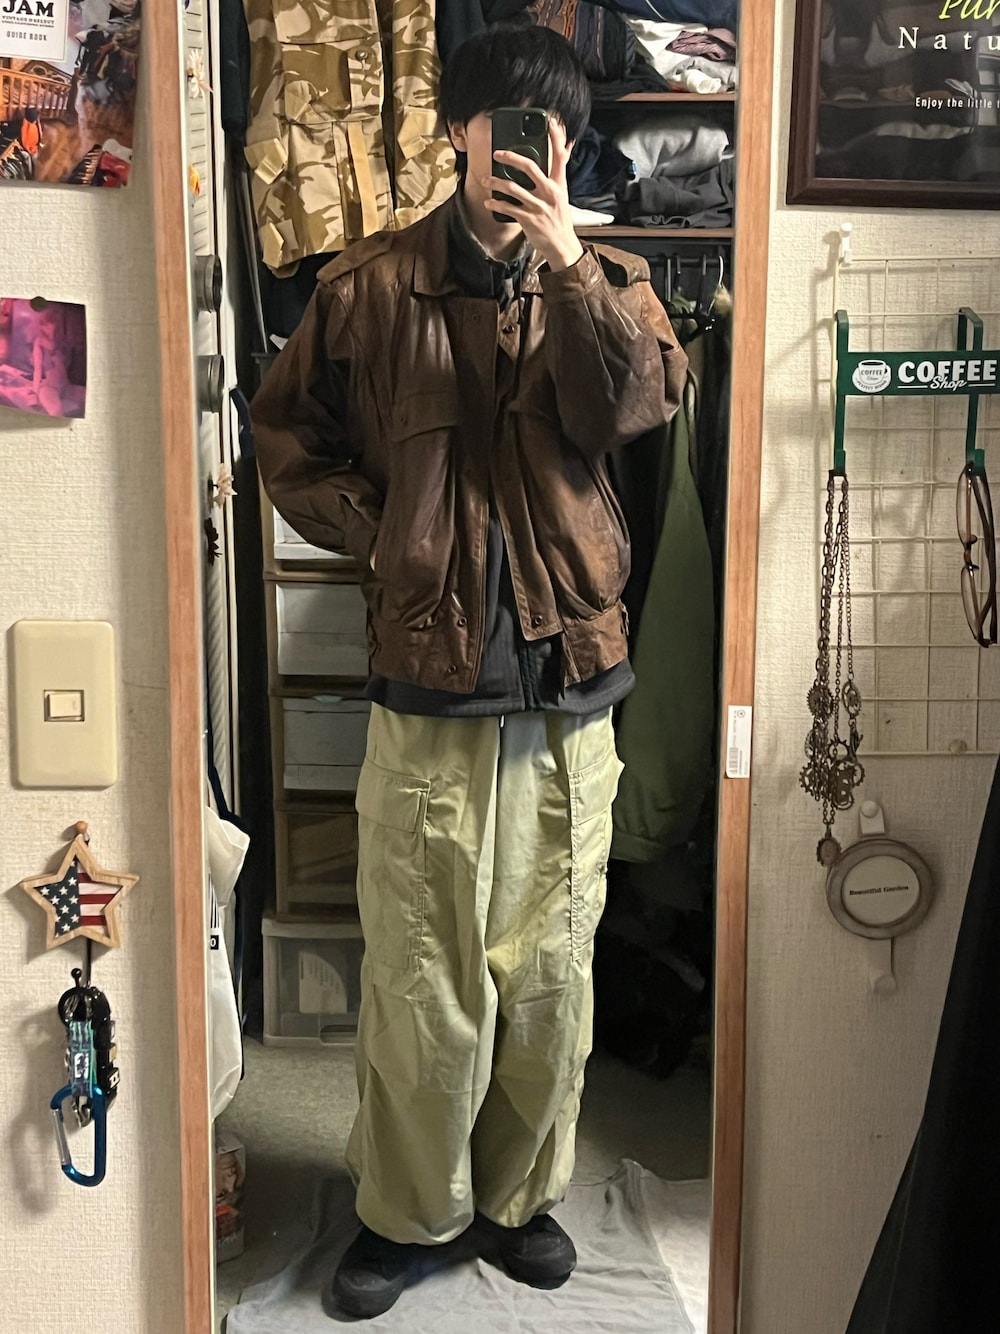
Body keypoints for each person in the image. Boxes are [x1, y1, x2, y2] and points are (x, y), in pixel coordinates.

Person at [251, 22, 687, 1320]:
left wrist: (569, 269)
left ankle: (517, 1200)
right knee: (420, 979)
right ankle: (408, 1213)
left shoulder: (609, 280)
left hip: (570, 688)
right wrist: (387, 534)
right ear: (458, 134)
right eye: (508, 128)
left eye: (553, 134)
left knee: (549, 975)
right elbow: (286, 440)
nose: (530, 155)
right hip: (431, 687)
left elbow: (636, 409)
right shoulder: (367, 289)